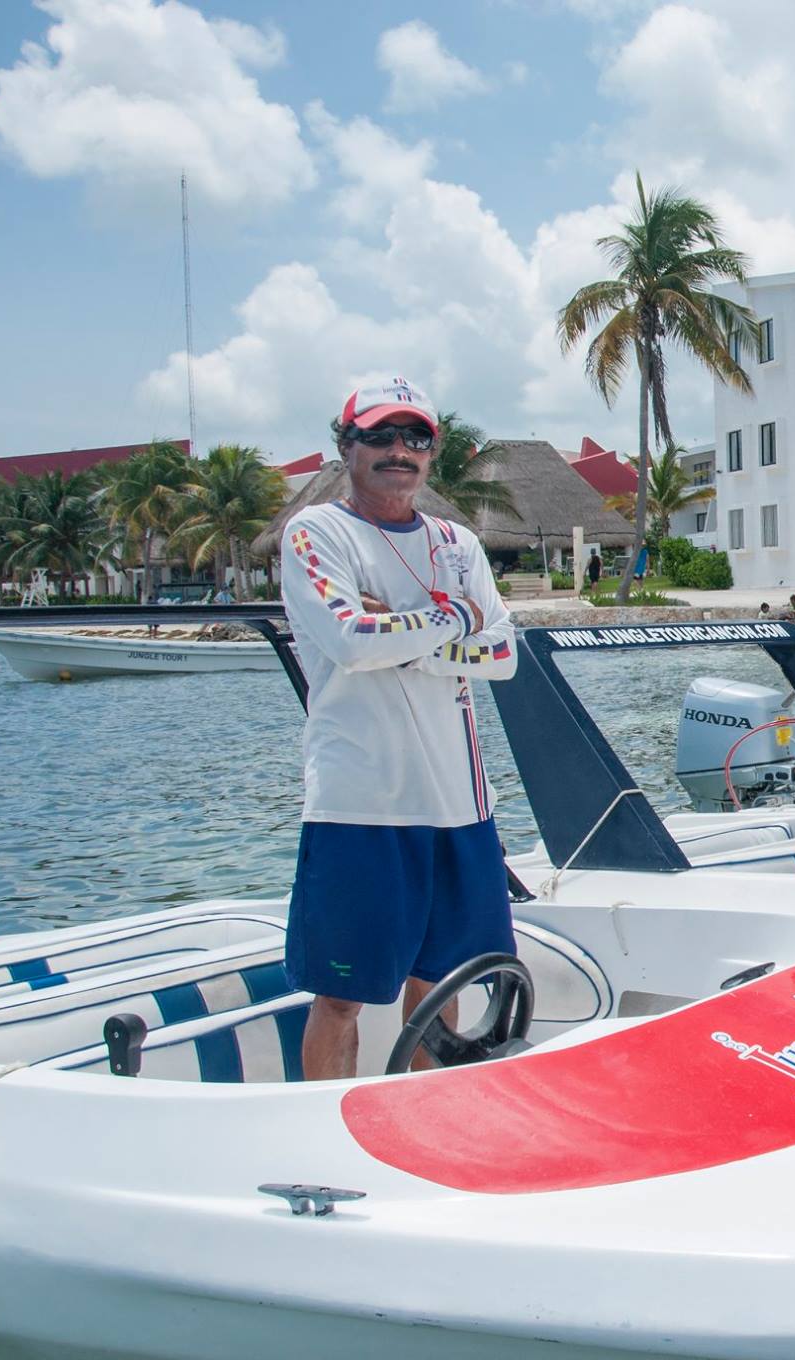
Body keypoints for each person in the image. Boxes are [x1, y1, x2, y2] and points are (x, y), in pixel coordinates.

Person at [279, 377, 518, 1080]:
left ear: (431, 452)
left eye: (414, 437)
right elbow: (352, 640)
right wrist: (456, 618)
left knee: (441, 981)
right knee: (341, 998)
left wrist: (404, 630)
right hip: (362, 808)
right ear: (345, 446)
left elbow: (503, 655)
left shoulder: (458, 542)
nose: (398, 451)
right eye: (379, 436)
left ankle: (424, 1117)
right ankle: (324, 1130)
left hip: (460, 806)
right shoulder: (317, 532)